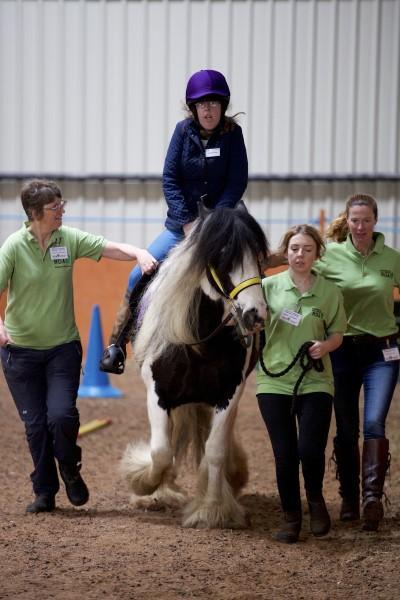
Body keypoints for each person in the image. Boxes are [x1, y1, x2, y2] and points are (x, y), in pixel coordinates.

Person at [0, 179, 157, 514]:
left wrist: (139, 253)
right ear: (34, 213)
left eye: (62, 204)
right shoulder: (13, 246)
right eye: (55, 207)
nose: (62, 211)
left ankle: (70, 468)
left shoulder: (67, 239)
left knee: (61, 416)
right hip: (20, 354)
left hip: (62, 349)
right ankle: (44, 491)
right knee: (35, 425)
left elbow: (107, 247)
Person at [103, 69, 248, 369]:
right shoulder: (183, 132)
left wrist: (215, 220)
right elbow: (170, 178)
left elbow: (237, 181)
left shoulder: (233, 135)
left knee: (249, 265)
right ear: (193, 108)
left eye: (213, 103)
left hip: (222, 221)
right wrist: (187, 221)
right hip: (182, 225)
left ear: (223, 105)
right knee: (136, 276)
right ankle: (117, 344)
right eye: (201, 104)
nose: (207, 110)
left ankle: (256, 330)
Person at [256, 225, 346, 544]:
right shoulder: (267, 286)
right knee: (285, 454)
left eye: (307, 249)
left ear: (317, 254)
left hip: (316, 380)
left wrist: (326, 346)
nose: (300, 255)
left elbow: (338, 332)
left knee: (310, 449)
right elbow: (247, 320)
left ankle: (316, 501)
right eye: (294, 248)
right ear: (286, 251)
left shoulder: (330, 292)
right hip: (273, 382)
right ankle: (290, 517)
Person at [317, 193, 400, 531]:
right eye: (355, 220)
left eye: (367, 220)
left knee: (375, 423)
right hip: (342, 352)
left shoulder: (392, 258)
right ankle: (349, 498)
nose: (361, 226)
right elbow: (300, 267)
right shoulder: (331, 255)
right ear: (347, 221)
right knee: (347, 428)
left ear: (375, 221)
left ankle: (371, 500)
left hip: (383, 352)